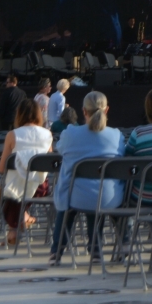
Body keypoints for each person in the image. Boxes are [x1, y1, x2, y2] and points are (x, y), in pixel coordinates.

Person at [49, 90, 126, 264]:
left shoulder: (70, 133)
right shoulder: (116, 135)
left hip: (75, 198)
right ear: (106, 110)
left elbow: (59, 148)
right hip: (110, 198)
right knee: (98, 189)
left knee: (72, 194)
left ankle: (56, 251)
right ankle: (112, 246)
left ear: (84, 111)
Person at [0, 96, 53, 247]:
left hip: (16, 188)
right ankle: (24, 217)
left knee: (14, 189)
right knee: (24, 187)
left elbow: (1, 168)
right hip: (41, 188)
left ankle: (15, 229)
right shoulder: (47, 135)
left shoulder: (13, 135)